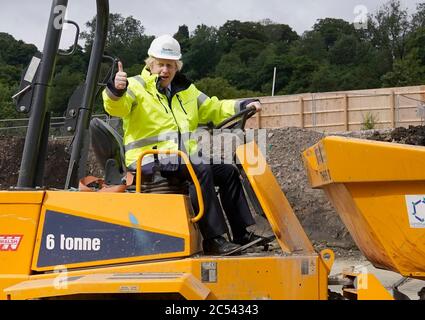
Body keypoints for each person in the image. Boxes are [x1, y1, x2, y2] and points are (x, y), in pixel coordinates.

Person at [102, 34, 262, 255]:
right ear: (151, 64)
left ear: (177, 67)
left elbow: (214, 108)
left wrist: (243, 104)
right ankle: (213, 239)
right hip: (149, 159)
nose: (164, 70)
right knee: (201, 169)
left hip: (180, 157)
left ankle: (241, 233)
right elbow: (116, 108)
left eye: (169, 65)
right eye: (160, 64)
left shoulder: (186, 91)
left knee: (228, 172)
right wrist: (116, 90)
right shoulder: (136, 87)